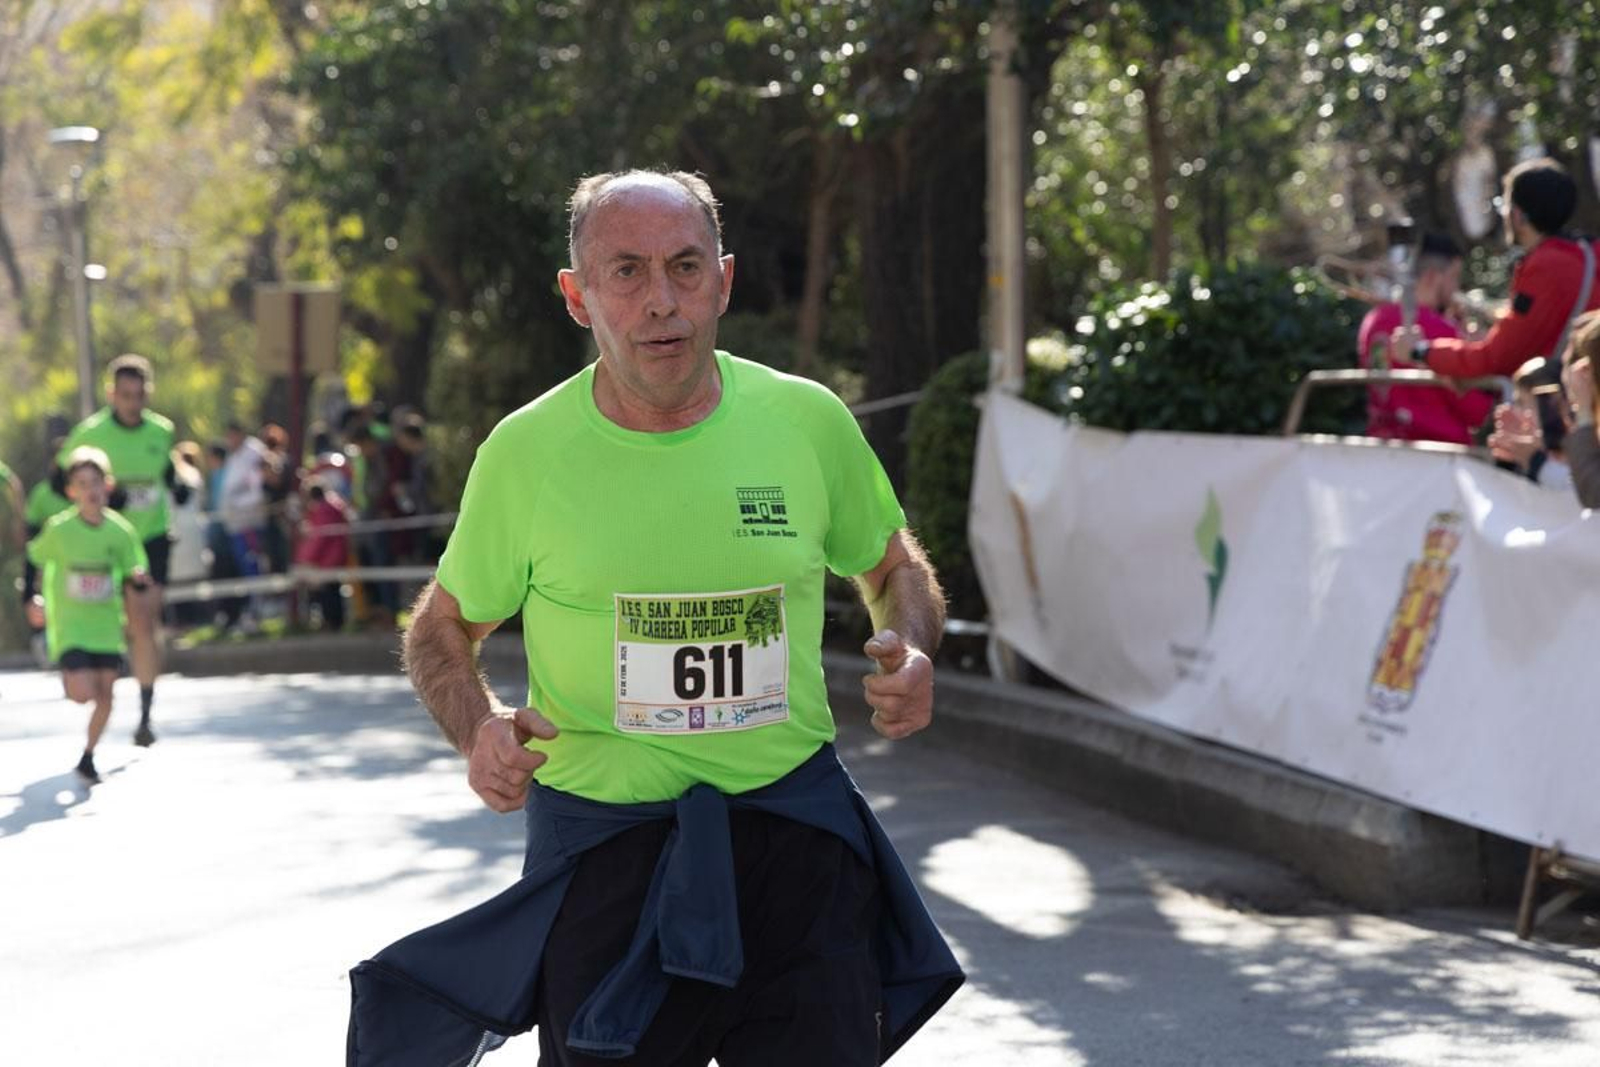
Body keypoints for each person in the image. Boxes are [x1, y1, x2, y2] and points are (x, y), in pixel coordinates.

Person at [347, 170, 962, 1067]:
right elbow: (441, 628)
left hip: (795, 845)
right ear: (577, 295)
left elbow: (893, 564)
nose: (661, 301)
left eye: (684, 266)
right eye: (626, 272)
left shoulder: (805, 421)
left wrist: (909, 645)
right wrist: (477, 728)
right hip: (607, 857)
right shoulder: (527, 453)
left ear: (724, 279)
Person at [59, 354, 186, 746]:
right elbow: (59, 484)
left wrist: (179, 483)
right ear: (112, 394)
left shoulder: (160, 431)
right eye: (125, 395)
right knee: (124, 625)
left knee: (144, 625)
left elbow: (167, 473)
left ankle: (145, 715)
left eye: (139, 395)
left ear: (148, 394)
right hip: (103, 543)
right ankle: (96, 683)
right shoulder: (89, 433)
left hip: (149, 542)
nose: (133, 403)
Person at [1393, 158, 1600, 379]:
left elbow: (1495, 359)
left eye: (1504, 204)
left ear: (1518, 216)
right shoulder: (1587, 253)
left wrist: (1421, 351)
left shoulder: (1547, 266)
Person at [25, 447, 150, 783]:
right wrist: (30, 599)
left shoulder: (120, 531)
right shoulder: (59, 529)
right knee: (83, 692)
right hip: (71, 626)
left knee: (107, 697)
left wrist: (138, 580)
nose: (91, 490)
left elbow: (134, 569)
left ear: (106, 486)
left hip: (107, 626)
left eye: (95, 482)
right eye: (82, 484)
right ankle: (70, 678)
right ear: (71, 491)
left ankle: (88, 756)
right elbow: (33, 558)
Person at [1357, 232, 1494, 444]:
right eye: (1454, 277)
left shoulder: (1372, 320)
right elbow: (1477, 411)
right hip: (1441, 451)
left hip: (1384, 446)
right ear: (1431, 276)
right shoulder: (1441, 330)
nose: (1455, 289)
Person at [294, 478, 353, 631]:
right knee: (333, 590)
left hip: (327, 559)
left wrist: (305, 559)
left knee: (328, 593)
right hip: (334, 556)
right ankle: (336, 622)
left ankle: (333, 622)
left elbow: (319, 538)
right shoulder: (333, 505)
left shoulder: (323, 510)